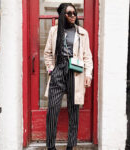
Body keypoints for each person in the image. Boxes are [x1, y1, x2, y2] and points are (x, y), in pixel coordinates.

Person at [44, 3, 93, 150]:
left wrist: (88, 74)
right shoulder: (54, 31)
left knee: (73, 111)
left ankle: (70, 146)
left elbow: (87, 56)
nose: (73, 16)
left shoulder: (82, 33)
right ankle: (50, 146)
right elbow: (47, 53)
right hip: (58, 70)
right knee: (52, 110)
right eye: (69, 13)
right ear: (62, 15)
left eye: (74, 13)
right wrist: (51, 70)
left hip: (75, 72)